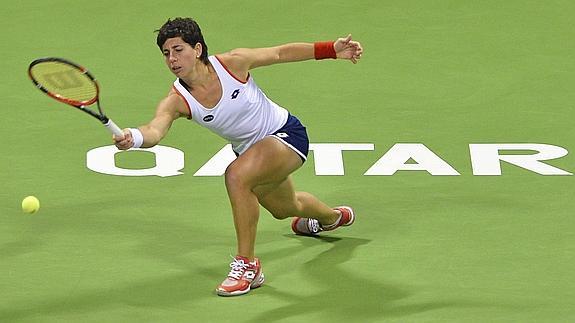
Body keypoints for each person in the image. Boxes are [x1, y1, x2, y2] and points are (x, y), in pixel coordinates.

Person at [114, 17, 363, 297]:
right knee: (285, 208)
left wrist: (331, 49)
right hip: (252, 152)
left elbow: (281, 53)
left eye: (178, 49)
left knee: (236, 175)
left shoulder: (232, 63)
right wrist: (134, 137)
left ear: (197, 49)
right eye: (166, 53)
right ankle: (332, 218)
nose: (172, 59)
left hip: (286, 134)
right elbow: (155, 130)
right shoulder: (177, 99)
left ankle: (247, 266)